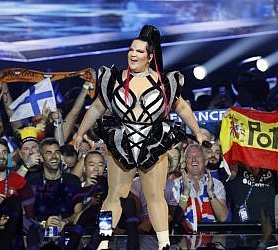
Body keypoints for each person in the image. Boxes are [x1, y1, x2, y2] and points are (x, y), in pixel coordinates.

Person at [75, 25, 208, 249]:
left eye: (139, 51)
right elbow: (97, 108)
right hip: (122, 142)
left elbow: (182, 108)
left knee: (155, 196)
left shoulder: (164, 83)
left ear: (150, 56)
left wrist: (197, 132)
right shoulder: (114, 79)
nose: (132, 54)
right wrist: (79, 132)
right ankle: (102, 244)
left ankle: (164, 245)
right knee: (115, 195)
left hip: (153, 142)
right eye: (131, 50)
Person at [172, 144, 229, 233]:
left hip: (210, 241)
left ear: (204, 160)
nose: (194, 159)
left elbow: (223, 217)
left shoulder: (217, 184)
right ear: (185, 161)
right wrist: (185, 192)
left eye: (198, 156)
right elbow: (175, 218)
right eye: (190, 157)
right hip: (184, 240)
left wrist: (210, 193)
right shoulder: (175, 185)